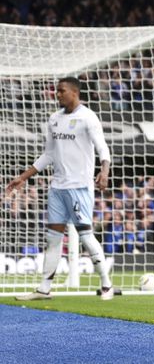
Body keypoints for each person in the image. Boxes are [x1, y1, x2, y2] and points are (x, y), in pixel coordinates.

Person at [5, 77, 114, 300]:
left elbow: (102, 147)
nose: (57, 94)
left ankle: (106, 284)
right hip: (58, 188)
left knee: (85, 236)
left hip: (80, 187)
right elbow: (49, 154)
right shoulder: (54, 119)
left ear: (75, 92)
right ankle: (44, 289)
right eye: (57, 91)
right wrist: (23, 177)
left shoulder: (87, 117)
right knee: (53, 238)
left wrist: (105, 172)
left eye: (62, 91)